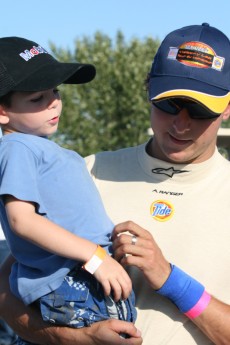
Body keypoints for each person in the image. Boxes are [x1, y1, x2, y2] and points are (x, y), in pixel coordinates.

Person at [0, 22, 230, 345]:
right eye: (168, 104)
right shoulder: (87, 169)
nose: (181, 122)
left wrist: (170, 279)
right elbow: (6, 289)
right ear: (148, 89)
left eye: (199, 109)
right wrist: (77, 339)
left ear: (227, 107)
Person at [0, 36, 137, 345]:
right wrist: (96, 256)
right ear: (2, 112)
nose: (53, 103)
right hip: (73, 280)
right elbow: (22, 220)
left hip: (83, 275)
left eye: (56, 92)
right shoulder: (18, 147)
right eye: (37, 98)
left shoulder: (41, 148)